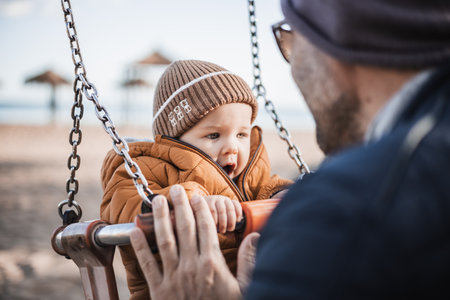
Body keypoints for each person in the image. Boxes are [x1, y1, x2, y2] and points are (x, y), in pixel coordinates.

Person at [129, 0, 450, 299]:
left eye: (291, 37)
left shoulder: (340, 208)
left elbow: (269, 187)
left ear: (334, 35)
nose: (292, 61)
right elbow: (132, 203)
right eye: (213, 134)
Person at [100, 59, 292, 299]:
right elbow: (123, 204)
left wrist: (282, 194)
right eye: (214, 135)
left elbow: (267, 185)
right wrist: (193, 201)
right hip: (171, 289)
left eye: (242, 134)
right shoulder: (144, 168)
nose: (232, 147)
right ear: (175, 137)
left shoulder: (249, 172)